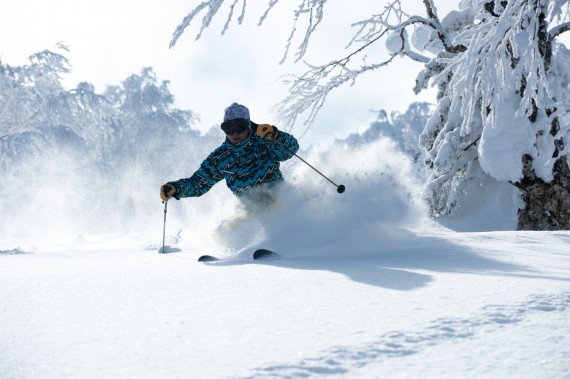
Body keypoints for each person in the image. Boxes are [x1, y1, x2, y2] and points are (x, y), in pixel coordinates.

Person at [159, 102, 299, 206]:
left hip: (283, 204)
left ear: (248, 125)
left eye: (239, 127)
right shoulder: (220, 157)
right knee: (228, 230)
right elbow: (198, 184)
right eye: (228, 128)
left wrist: (275, 136)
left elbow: (290, 150)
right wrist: (176, 188)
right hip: (255, 214)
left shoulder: (264, 140)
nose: (235, 133)